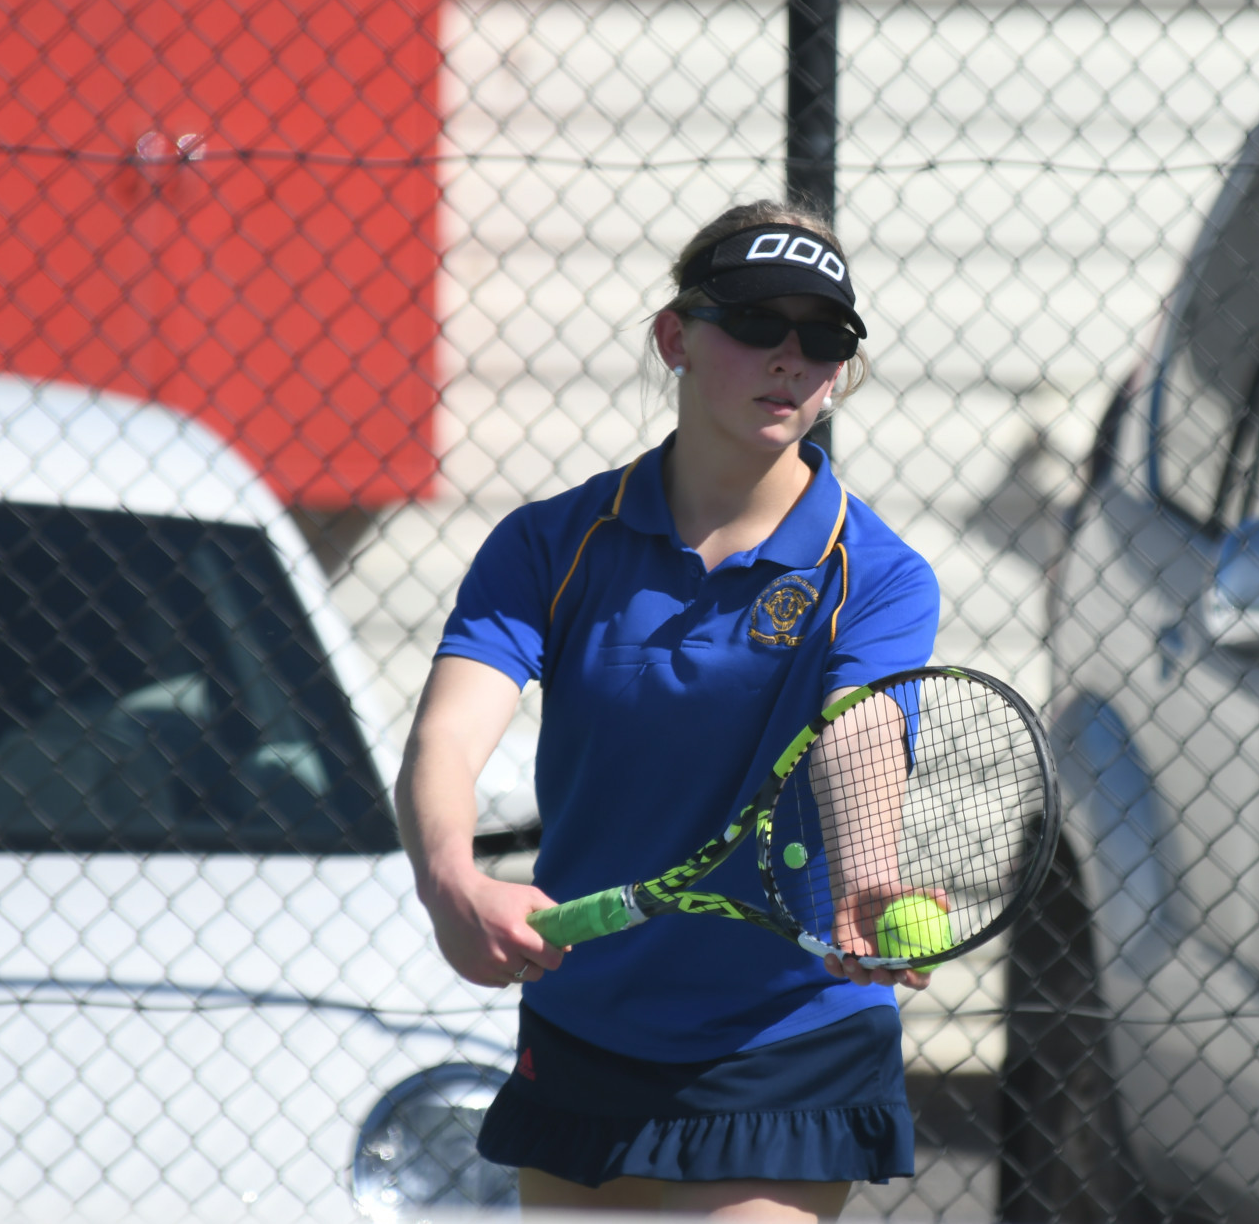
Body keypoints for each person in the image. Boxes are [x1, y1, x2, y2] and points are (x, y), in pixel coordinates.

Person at [393, 200, 941, 1221]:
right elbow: (447, 732)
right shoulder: (547, 545)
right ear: (673, 336)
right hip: (588, 1022)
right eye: (753, 324)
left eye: (822, 338)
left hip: (789, 1035)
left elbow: (861, 727)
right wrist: (448, 882)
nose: (789, 357)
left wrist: (867, 882)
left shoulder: (877, 575)